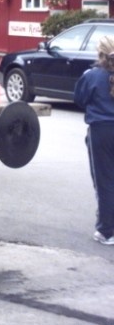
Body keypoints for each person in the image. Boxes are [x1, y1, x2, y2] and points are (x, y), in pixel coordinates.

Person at [73, 34, 114, 245]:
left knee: (105, 181)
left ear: (100, 54)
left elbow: (79, 99)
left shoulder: (92, 75)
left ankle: (107, 231)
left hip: (102, 131)